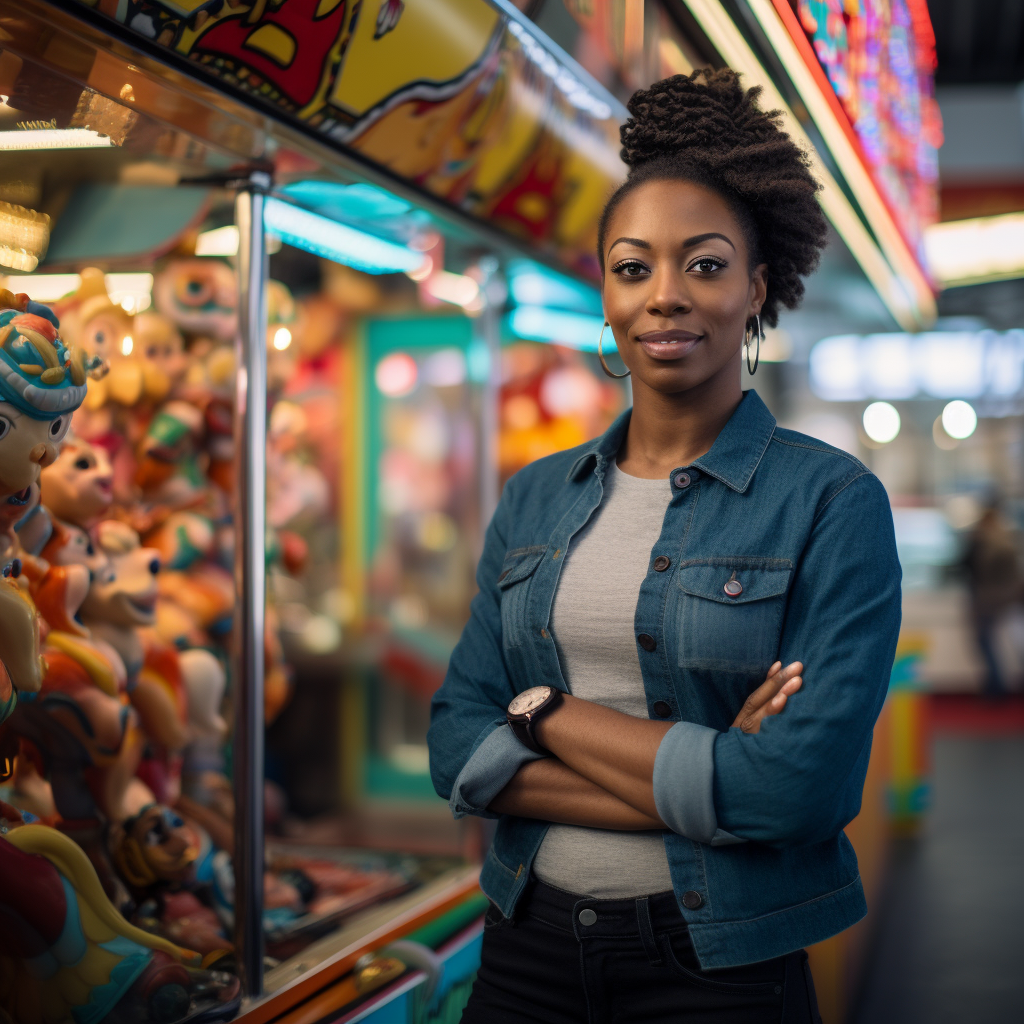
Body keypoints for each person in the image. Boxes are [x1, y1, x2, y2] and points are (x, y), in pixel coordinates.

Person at [428, 68, 901, 1023]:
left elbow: (797, 794)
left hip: (716, 970)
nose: (666, 296)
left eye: (707, 264)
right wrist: (711, 774)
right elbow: (451, 743)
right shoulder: (536, 497)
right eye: (634, 266)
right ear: (604, 293)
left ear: (759, 287)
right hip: (524, 948)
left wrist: (543, 714)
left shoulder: (832, 502)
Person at [962, 501, 1021, 696]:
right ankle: (996, 684)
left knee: (985, 641)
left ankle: (995, 686)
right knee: (998, 641)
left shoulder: (985, 541)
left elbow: (970, 567)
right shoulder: (1006, 539)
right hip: (1004, 598)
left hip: (987, 598)